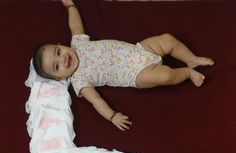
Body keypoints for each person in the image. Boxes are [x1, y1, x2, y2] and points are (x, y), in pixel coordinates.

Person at [33, 0, 214, 131]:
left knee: (167, 39)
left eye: (58, 52)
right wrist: (112, 116)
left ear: (60, 45)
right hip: (136, 74)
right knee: (165, 76)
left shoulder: (78, 44)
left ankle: (191, 58)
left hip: (139, 49)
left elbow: (75, 25)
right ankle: (187, 72)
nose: (63, 60)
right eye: (57, 67)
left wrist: (70, 6)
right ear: (60, 78)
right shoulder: (79, 80)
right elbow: (96, 101)